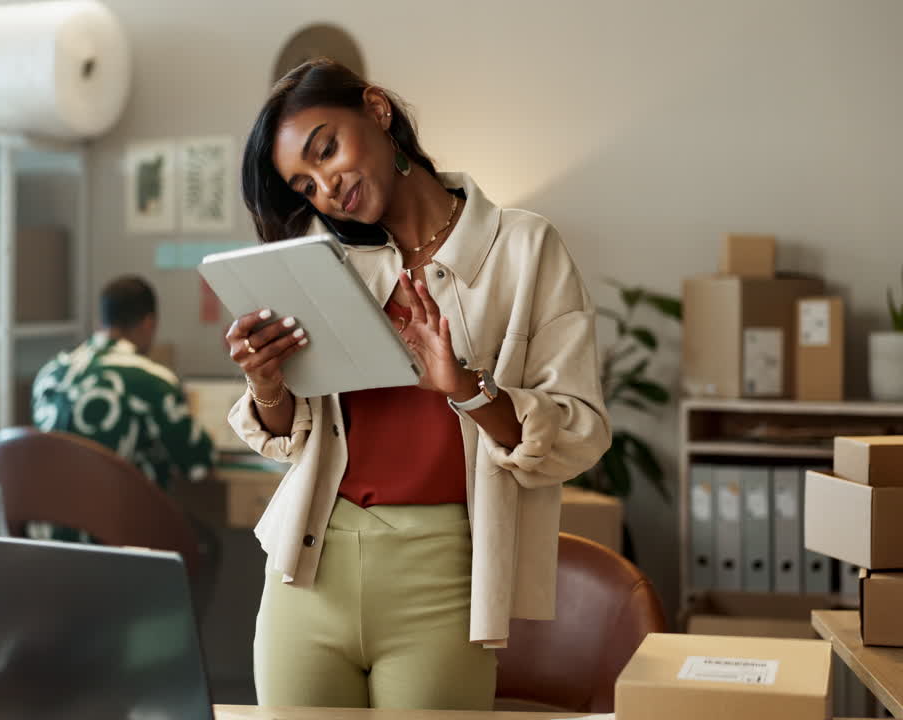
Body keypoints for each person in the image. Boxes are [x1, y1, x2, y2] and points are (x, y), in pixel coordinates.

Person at [226, 58, 611, 711]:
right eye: (304, 184)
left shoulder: (523, 248)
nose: (326, 186)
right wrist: (267, 386)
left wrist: (467, 388)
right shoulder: (327, 264)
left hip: (443, 576)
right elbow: (295, 438)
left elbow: (580, 433)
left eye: (328, 149)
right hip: (308, 570)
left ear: (377, 111)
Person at [31, 275, 215, 541]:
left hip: (52, 538)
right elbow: (198, 464)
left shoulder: (49, 375)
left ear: (101, 321)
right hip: (121, 538)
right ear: (149, 323)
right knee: (207, 544)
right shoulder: (151, 380)